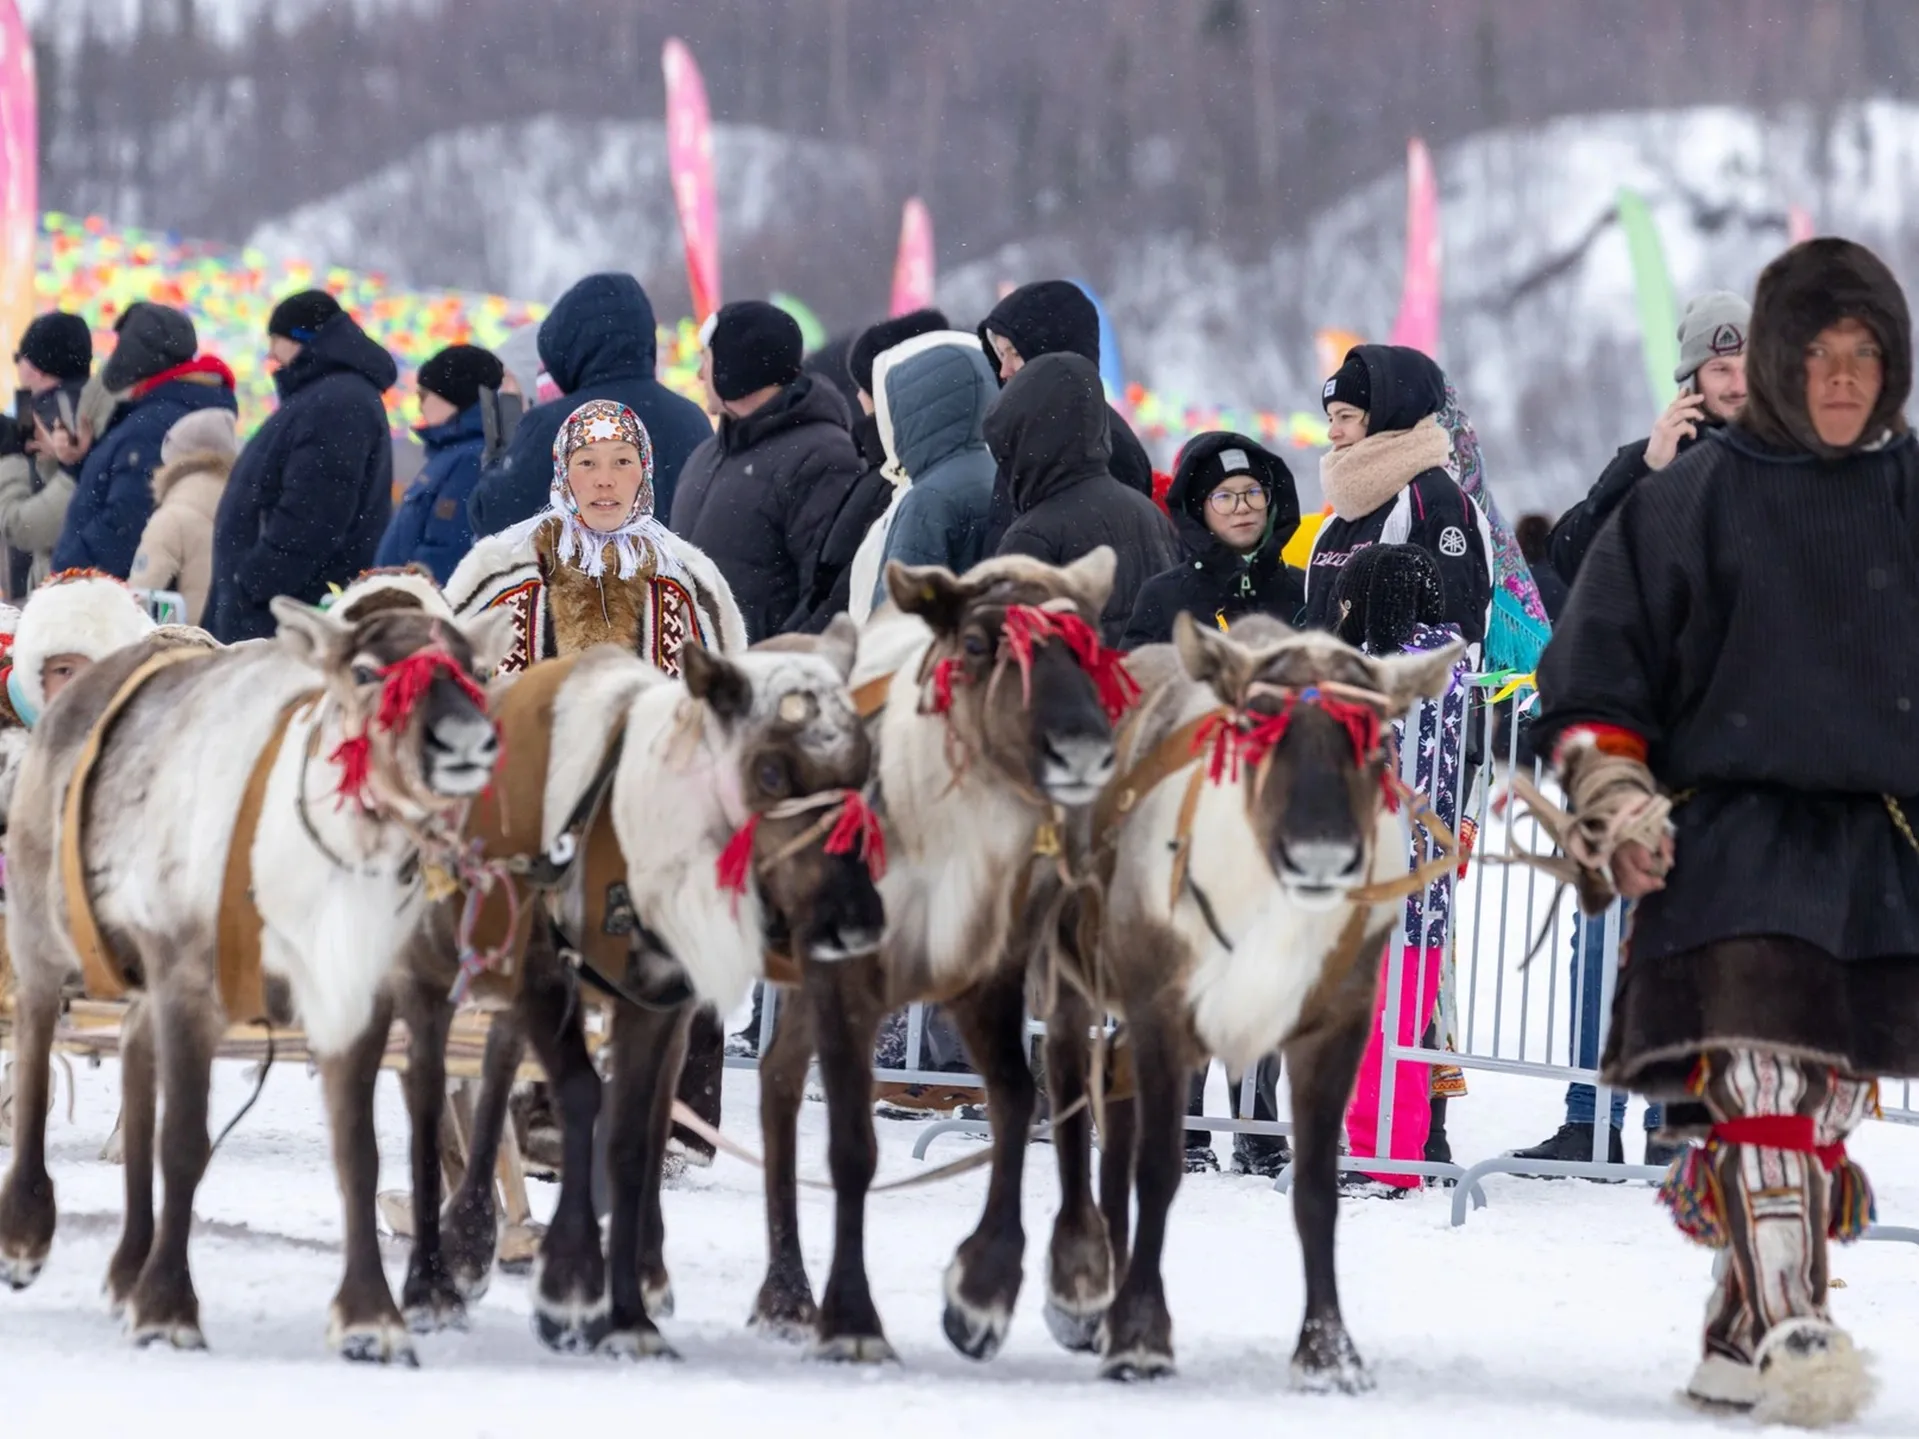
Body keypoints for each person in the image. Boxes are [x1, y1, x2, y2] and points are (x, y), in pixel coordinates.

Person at [1530, 237, 1919, 1422]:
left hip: (1879, 849)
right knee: (1759, 1075)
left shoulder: (1910, 496)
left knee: (1830, 1100)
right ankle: (1800, 1323)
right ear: (1782, 363)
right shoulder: (1692, 496)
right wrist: (1611, 791)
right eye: (1819, 356)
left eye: (1865, 358)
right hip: (1727, 843)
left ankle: (1731, 1331)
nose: (1842, 380)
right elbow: (1595, 666)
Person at [448, 397, 745, 1159]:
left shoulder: (689, 579)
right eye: (587, 463)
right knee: (532, 929)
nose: (604, 481)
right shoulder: (502, 567)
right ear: (563, 471)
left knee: (686, 914)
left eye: (621, 463)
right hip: (528, 799)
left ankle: (677, 1114)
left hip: (653, 805)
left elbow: (727, 698)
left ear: (646, 471)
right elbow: (449, 683)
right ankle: (533, 1107)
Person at [207, 291, 397, 642]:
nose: (271, 355)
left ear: (303, 340)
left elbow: (314, 516)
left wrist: (254, 582)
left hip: (284, 620)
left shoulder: (337, 403)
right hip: (277, 613)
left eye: (275, 341)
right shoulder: (324, 397)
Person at [669, 300, 864, 642]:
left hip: (761, 682)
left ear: (735, 367)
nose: (699, 374)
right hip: (698, 679)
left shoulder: (823, 456)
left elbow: (829, 594)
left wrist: (768, 668)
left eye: (706, 359)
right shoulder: (706, 455)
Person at [468, 273, 712, 536]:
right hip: (672, 575)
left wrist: (499, 457)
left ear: (568, 343)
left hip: (577, 576)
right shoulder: (691, 419)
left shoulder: (556, 423)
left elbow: (495, 521)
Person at [1547, 291, 1749, 587]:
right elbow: (1570, 560)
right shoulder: (1654, 460)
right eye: (1721, 369)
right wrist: (1643, 470)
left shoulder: (1795, 451)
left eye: (1749, 368)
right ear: (1693, 379)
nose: (1739, 385)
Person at [1302, 345, 1492, 643]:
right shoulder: (1343, 513)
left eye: (1345, 416)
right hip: (1327, 689)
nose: (1332, 432)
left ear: (1385, 415)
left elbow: (1453, 638)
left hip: (1389, 689)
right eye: (1330, 418)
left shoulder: (1435, 502)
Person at [987, 352, 1177, 644]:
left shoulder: (1031, 535)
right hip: (1154, 680)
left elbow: (1008, 645)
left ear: (1026, 439)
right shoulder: (1148, 511)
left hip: (1084, 687)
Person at [784, 308, 947, 633]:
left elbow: (847, 592)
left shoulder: (898, 479)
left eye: (865, 386)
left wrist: (792, 646)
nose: (858, 397)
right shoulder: (882, 470)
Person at [51, 302, 237, 580]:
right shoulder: (181, 405)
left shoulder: (153, 422)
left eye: (122, 345)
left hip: (108, 597)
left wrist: (68, 572)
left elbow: (127, 518)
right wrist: (81, 461)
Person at [858, 329, 999, 614]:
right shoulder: (1000, 472)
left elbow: (897, 614)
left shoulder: (928, 497)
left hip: (932, 653)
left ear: (913, 405)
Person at [1120, 432, 1303, 649]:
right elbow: (1134, 679)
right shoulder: (1164, 596)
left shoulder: (1304, 588)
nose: (1243, 507)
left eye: (1253, 492)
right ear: (1198, 511)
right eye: (1224, 496)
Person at [977, 280, 1154, 498]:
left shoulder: (1105, 445)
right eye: (1001, 355)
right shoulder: (1027, 435)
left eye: (1015, 353)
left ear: (1050, 354)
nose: (1004, 371)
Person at [375, 344, 505, 583]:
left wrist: (408, 592)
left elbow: (448, 546)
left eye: (423, 395)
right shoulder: (453, 452)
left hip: (419, 605)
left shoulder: (470, 458)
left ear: (451, 396)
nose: (419, 404)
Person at [0, 313, 94, 594]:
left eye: (20, 358)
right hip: (84, 576)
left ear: (38, 367)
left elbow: (27, 521)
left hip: (46, 577)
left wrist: (9, 453)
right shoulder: (96, 408)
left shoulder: (37, 417)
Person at [3, 569, 156, 728]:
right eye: (64, 671)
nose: (80, 689)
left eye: (99, 674)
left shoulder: (130, 734)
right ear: (35, 674)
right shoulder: (9, 733)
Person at [129, 408, 239, 626]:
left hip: (187, 650)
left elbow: (139, 600)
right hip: (238, 648)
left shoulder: (172, 518)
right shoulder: (247, 508)